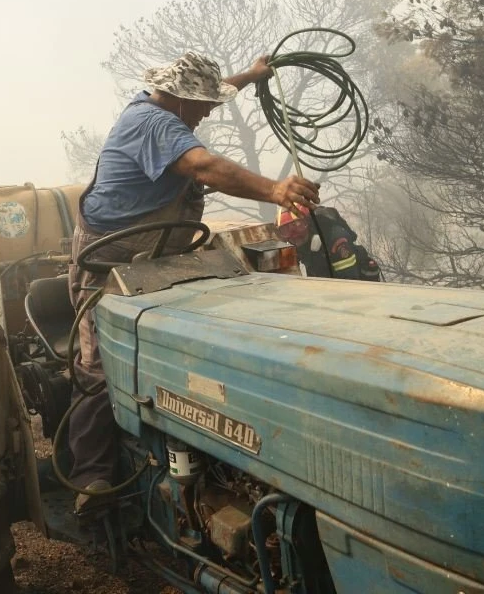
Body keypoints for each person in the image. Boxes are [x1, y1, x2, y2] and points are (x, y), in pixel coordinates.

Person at [67, 50, 320, 511]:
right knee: (101, 366)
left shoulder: (167, 109)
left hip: (162, 253)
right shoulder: (155, 125)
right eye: (203, 105)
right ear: (180, 101)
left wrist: (251, 75)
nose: (208, 112)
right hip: (110, 261)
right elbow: (205, 168)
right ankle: (94, 477)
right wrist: (276, 190)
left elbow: (215, 88)